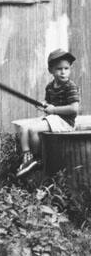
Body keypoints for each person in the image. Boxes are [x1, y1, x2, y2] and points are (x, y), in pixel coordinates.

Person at [14, 49, 80, 178]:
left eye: (66, 68)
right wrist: (42, 104)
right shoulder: (50, 87)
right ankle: (28, 157)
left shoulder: (70, 86)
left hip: (65, 122)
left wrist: (53, 110)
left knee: (33, 130)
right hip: (53, 119)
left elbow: (74, 109)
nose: (63, 72)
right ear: (51, 70)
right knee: (23, 128)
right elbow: (48, 102)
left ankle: (38, 159)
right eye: (59, 69)